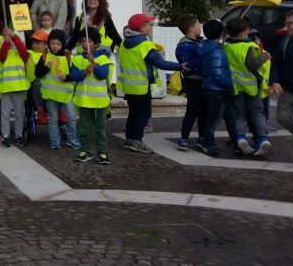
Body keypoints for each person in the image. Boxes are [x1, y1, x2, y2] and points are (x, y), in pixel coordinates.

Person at [118, 14, 184, 153]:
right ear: (142, 28)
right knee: (144, 114)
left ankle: (129, 139)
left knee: (133, 113)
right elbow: (161, 63)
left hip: (128, 87)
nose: (151, 26)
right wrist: (180, 66)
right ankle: (136, 140)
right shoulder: (145, 45)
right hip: (141, 86)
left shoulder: (124, 44)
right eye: (149, 24)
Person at [223, 17, 272, 157]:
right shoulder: (248, 46)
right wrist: (265, 56)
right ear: (243, 33)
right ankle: (263, 138)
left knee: (239, 114)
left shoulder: (226, 46)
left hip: (235, 86)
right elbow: (253, 64)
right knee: (257, 113)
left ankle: (241, 137)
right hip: (252, 87)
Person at [69, 30, 113, 165]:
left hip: (99, 100)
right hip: (84, 99)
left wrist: (94, 63)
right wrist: (85, 71)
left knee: (100, 128)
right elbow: (74, 76)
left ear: (96, 43)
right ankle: (85, 150)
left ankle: (102, 152)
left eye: (88, 41)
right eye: (82, 41)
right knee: (83, 127)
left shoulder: (103, 58)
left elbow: (102, 74)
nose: (84, 44)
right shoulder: (76, 59)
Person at [269, 6, 293, 168]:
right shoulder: (286, 41)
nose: (287, 27)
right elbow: (276, 62)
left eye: (290, 23)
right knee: (282, 118)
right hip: (288, 89)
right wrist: (274, 80)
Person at [36, 29, 80, 150]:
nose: (55, 46)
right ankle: (55, 141)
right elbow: (37, 73)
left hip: (66, 94)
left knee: (71, 117)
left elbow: (75, 75)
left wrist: (67, 78)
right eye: (52, 43)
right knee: (53, 119)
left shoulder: (68, 57)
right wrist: (46, 67)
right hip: (51, 95)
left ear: (62, 44)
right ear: (49, 43)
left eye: (58, 44)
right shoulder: (45, 56)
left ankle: (72, 139)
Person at [196, 19, 232, 158]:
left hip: (209, 87)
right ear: (222, 34)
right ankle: (208, 143)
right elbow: (217, 73)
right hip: (218, 89)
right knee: (213, 120)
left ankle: (233, 140)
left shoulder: (205, 47)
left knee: (215, 116)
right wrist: (228, 84)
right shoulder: (217, 51)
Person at [175, 15, 205, 152]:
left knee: (204, 111)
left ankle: (202, 137)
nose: (200, 26)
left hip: (202, 81)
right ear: (192, 28)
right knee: (192, 111)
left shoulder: (199, 43)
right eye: (198, 24)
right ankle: (184, 138)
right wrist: (204, 56)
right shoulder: (185, 46)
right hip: (193, 82)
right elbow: (188, 65)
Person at [0, 27, 30, 147]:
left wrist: (14, 36)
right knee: (5, 114)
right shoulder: (3, 51)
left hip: (19, 87)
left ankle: (18, 135)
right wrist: (6, 42)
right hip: (5, 87)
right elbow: (2, 56)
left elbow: (23, 51)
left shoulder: (21, 54)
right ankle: (5, 135)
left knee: (19, 113)